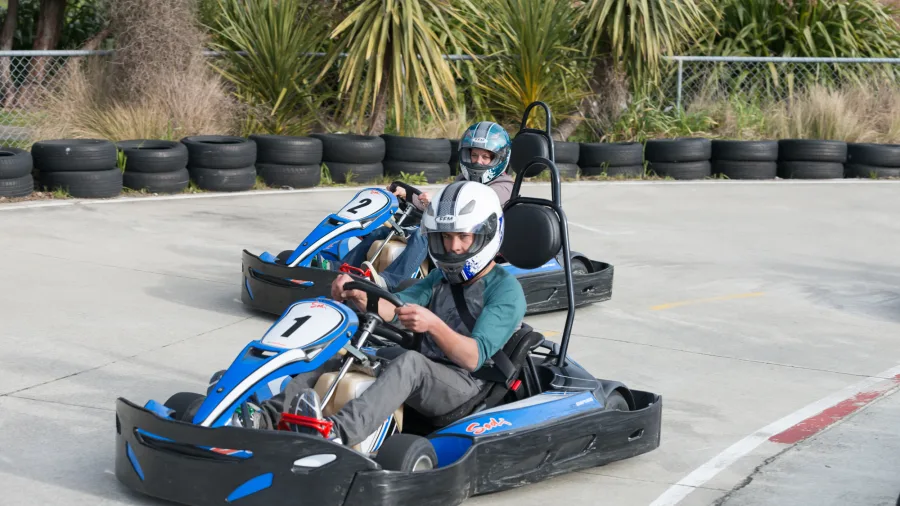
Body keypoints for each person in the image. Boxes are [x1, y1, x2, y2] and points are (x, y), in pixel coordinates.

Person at [249, 180, 527, 447]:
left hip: (467, 385)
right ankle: (266, 417)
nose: (454, 247)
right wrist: (359, 294)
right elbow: (394, 309)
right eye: (446, 236)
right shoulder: (440, 279)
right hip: (429, 367)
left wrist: (433, 325)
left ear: (486, 235)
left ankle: (338, 432)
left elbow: (473, 357)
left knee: (411, 363)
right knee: (349, 351)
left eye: (463, 237)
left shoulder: (505, 290)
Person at [337, 121, 516, 291]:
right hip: (453, 233)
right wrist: (408, 196)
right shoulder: (463, 179)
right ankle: (340, 271)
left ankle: (389, 281)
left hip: (478, 243)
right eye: (474, 155)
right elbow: (442, 209)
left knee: (423, 235)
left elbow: (470, 211)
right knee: (382, 230)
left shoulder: (503, 187)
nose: (478, 162)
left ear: (499, 159)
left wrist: (437, 205)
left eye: (485, 157)